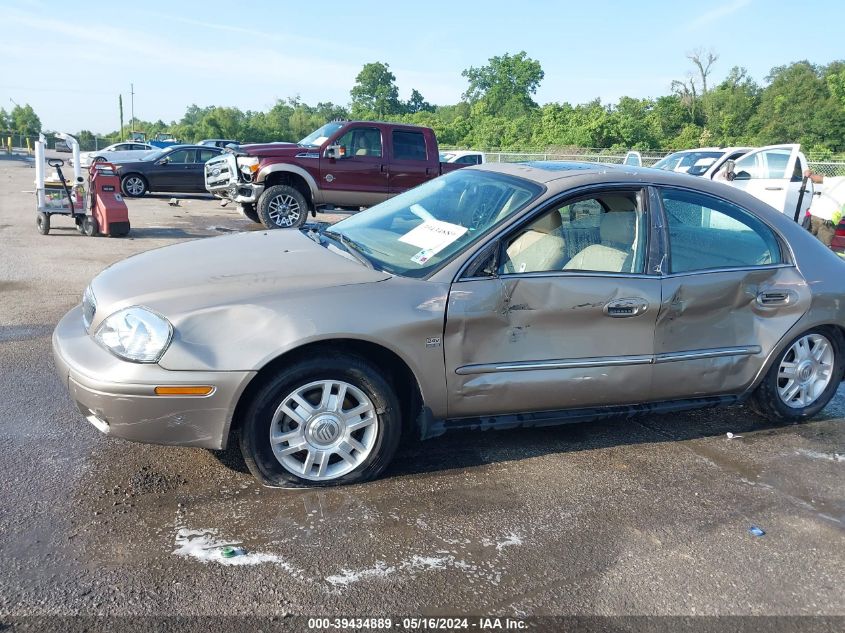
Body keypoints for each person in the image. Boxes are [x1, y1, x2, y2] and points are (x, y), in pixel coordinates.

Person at [803, 170, 845, 247]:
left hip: (814, 215)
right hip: (827, 221)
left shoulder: (840, 179)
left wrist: (810, 175)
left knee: (805, 241)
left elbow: (818, 179)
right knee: (822, 248)